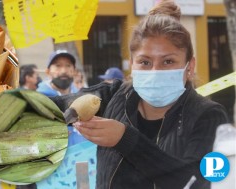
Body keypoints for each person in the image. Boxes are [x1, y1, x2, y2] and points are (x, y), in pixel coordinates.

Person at [52, 1, 230, 189]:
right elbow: (50, 107)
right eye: (145, 62)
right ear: (132, 65)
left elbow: (200, 183)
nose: (155, 71)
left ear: (190, 67)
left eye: (168, 61)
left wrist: (126, 140)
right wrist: (20, 98)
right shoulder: (112, 97)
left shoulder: (210, 116)